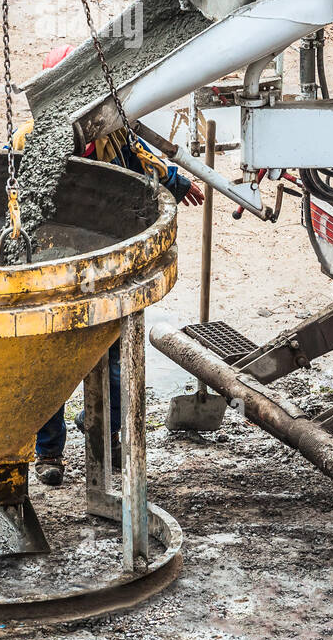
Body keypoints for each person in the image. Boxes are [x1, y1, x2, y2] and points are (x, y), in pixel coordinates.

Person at [22, 45, 205, 488]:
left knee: (116, 363)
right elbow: (10, 192)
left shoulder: (112, 135)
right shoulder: (29, 142)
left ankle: (103, 428)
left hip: (105, 263)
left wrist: (177, 180)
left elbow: (142, 154)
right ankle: (49, 454)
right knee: (51, 366)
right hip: (53, 266)